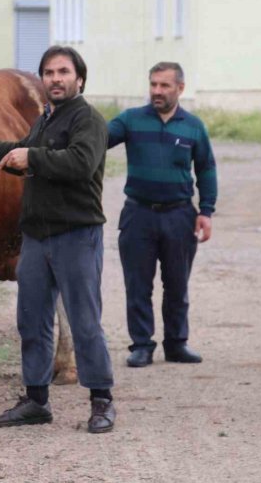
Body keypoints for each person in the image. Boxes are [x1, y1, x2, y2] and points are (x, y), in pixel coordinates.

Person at [0, 46, 115, 434]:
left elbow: (81, 164)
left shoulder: (88, 120)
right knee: (31, 321)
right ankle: (36, 400)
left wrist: (31, 159)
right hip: (35, 239)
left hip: (76, 235)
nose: (55, 78)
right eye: (49, 72)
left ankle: (101, 400)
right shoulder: (45, 121)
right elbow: (15, 152)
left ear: (79, 80)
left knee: (85, 322)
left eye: (63, 72)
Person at [107, 62, 217, 368]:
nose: (157, 91)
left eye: (164, 85)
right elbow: (97, 141)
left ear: (180, 88)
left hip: (179, 216)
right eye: (153, 84)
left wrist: (206, 211)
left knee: (177, 283)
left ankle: (176, 343)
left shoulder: (193, 126)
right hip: (138, 214)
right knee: (138, 284)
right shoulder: (131, 120)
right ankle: (142, 345)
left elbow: (206, 168)